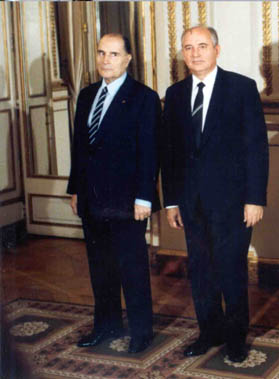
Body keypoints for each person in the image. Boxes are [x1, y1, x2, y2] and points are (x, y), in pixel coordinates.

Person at [160, 26, 269, 363]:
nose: (195, 53)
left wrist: (255, 198)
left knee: (231, 269)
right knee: (202, 271)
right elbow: (170, 152)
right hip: (191, 203)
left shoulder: (241, 88)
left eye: (202, 46)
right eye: (188, 47)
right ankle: (209, 332)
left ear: (217, 50)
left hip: (234, 203)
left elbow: (256, 148)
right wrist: (172, 201)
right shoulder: (175, 93)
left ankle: (236, 338)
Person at [67, 33, 161, 353]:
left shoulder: (143, 98)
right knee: (100, 267)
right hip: (92, 198)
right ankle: (105, 325)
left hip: (128, 200)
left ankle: (141, 331)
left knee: (131, 267)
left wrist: (144, 197)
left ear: (127, 59)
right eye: (101, 53)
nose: (106, 60)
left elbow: (150, 152)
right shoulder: (86, 95)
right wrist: (76, 190)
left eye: (114, 54)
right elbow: (80, 148)